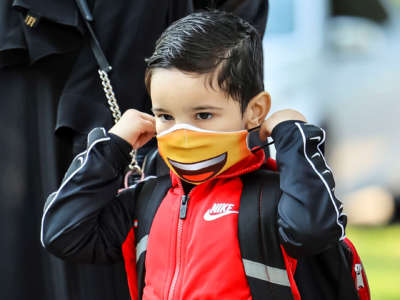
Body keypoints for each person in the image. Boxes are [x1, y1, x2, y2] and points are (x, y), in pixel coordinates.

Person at [41, 10, 346, 299]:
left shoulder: (276, 196)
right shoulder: (148, 198)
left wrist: (293, 136)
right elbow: (64, 234)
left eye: (202, 115)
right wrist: (113, 147)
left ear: (255, 111)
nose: (182, 133)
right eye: (165, 116)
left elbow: (312, 231)